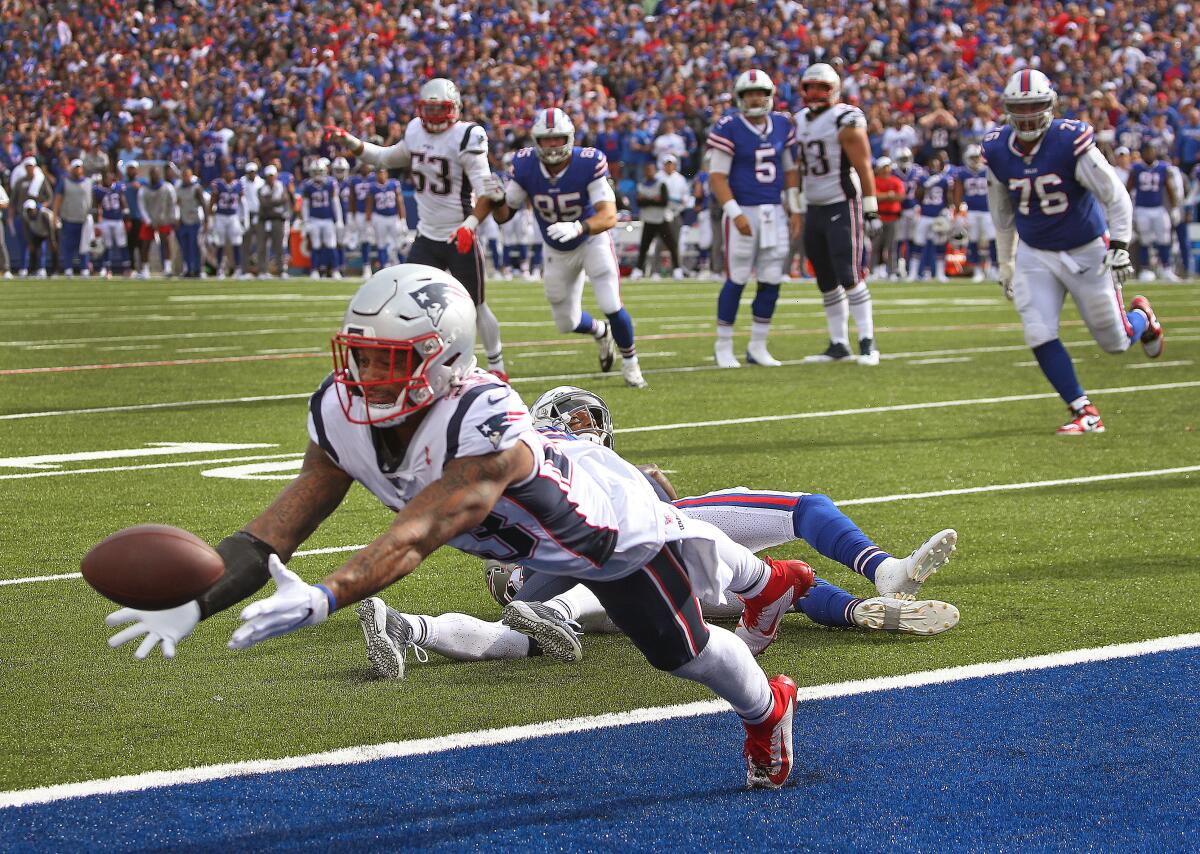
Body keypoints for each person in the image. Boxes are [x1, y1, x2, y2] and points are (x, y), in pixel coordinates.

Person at [104, 264, 802, 791]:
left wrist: (324, 597)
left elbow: (418, 533)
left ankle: (767, 707)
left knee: (680, 655)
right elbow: (270, 533)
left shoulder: (483, 417)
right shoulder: (341, 411)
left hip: (609, 534)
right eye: (359, 355)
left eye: (387, 360)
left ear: (441, 359)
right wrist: (195, 603)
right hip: (518, 543)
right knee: (619, 623)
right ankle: (761, 589)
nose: (365, 376)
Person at [355, 385, 959, 677]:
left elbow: (505, 569)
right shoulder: (545, 467)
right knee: (782, 530)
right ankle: (875, 582)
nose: (579, 430)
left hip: (603, 589)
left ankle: (411, 626)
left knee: (542, 621)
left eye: (585, 421)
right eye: (572, 422)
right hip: (637, 556)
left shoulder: (511, 475)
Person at [984, 69, 1165, 435]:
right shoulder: (996, 149)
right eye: (1020, 107)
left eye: (1035, 105)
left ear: (1049, 105)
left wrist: (1119, 246)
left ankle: (1143, 318)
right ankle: (1084, 410)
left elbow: (1115, 196)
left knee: (1115, 342)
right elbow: (1002, 216)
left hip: (1086, 249)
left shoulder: (1070, 140)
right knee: (1037, 330)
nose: (1028, 115)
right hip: (1036, 252)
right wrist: (1006, 264)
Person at [327, 78, 509, 381]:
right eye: (430, 109)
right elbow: (384, 157)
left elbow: (485, 190)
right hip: (426, 235)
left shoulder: (467, 136)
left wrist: (470, 225)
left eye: (442, 110)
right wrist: (351, 142)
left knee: (475, 305)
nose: (435, 117)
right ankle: (423, 361)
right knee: (413, 302)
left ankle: (497, 366)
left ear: (455, 110)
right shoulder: (414, 130)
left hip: (457, 233)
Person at [492, 108, 647, 388]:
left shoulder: (588, 162)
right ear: (536, 141)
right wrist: (494, 197)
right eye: (546, 140)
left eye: (558, 139)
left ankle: (631, 362)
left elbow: (609, 215)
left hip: (590, 240)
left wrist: (579, 227)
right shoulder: (525, 165)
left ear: (570, 138)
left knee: (610, 303)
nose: (552, 146)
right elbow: (504, 215)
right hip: (556, 249)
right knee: (566, 322)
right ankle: (600, 332)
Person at [707, 70, 802, 368]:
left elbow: (789, 170)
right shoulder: (729, 126)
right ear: (739, 97)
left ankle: (758, 345)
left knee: (772, 277)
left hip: (773, 210)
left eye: (759, 92)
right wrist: (734, 212)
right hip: (743, 209)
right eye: (749, 94)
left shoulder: (782, 124)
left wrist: (795, 207)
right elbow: (717, 176)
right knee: (736, 277)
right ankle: (723, 345)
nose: (754, 98)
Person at [793, 63, 883, 365]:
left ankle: (868, 342)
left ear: (834, 90)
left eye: (822, 87)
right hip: (814, 205)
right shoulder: (800, 120)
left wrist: (871, 208)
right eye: (810, 87)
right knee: (825, 278)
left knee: (849, 273)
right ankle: (838, 344)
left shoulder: (846, 117)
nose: (815, 93)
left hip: (842, 202)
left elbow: (864, 165)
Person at [1127, 144, 1178, 282]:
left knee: (1164, 238)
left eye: (1151, 151)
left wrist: (1174, 208)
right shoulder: (1136, 168)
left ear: (1155, 152)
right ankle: (1145, 269)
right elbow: (1128, 189)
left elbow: (1169, 188)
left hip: (1158, 208)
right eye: (1147, 151)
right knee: (1145, 240)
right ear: (1143, 153)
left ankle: (1166, 268)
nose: (1149, 154)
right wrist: (1128, 210)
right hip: (1142, 208)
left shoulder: (1162, 168)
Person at [632, 161, 681, 279]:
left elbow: (664, 202)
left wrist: (647, 200)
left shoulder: (661, 184)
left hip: (661, 219)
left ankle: (677, 269)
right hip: (649, 220)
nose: (649, 172)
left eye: (651, 169)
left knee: (672, 245)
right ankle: (638, 269)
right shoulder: (641, 185)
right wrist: (653, 200)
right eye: (647, 170)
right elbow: (639, 203)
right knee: (644, 246)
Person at [953, 145, 995, 282]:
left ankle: (993, 268)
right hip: (971, 211)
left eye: (977, 157)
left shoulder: (988, 171)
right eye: (972, 157)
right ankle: (977, 269)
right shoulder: (963, 173)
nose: (975, 160)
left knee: (992, 239)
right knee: (973, 241)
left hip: (988, 210)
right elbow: (958, 192)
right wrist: (958, 211)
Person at [299, 158, 342, 279]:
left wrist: (339, 220)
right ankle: (314, 270)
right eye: (315, 172)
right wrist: (306, 221)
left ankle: (335, 270)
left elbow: (335, 202)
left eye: (319, 171)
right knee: (316, 245)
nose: (318, 174)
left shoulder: (330, 183)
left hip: (328, 219)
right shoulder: (308, 185)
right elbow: (305, 205)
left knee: (331, 244)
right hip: (314, 219)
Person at [914, 154, 954, 281]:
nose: (934, 167)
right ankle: (914, 273)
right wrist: (926, 185)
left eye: (937, 164)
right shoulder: (922, 178)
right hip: (925, 215)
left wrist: (948, 209)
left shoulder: (945, 179)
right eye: (932, 164)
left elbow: (948, 196)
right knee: (919, 243)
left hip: (938, 216)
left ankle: (940, 273)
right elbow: (918, 195)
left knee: (940, 244)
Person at [52, 158, 93, 277]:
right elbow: (57, 200)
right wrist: (55, 216)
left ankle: (84, 268)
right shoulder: (65, 182)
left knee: (84, 245)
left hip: (84, 218)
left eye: (79, 167)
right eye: (75, 167)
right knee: (68, 245)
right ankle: (68, 268)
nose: (78, 170)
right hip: (68, 218)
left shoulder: (89, 182)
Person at [891, 147, 927, 279]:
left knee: (914, 240)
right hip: (898, 211)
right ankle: (897, 269)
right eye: (902, 159)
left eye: (906, 159)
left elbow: (925, 187)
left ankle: (913, 270)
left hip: (913, 209)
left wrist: (920, 204)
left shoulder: (917, 171)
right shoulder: (893, 172)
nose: (904, 161)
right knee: (898, 241)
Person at [208, 161, 247, 279]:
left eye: (231, 172)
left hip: (233, 216)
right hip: (220, 216)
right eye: (227, 172)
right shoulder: (218, 184)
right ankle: (220, 269)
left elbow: (242, 202)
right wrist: (210, 219)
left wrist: (244, 219)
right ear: (224, 174)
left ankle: (238, 269)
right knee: (220, 242)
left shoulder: (238, 185)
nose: (229, 175)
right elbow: (212, 201)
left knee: (237, 242)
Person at [365, 167, 406, 272]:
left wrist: (403, 220)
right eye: (379, 173)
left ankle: (401, 267)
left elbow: (399, 202)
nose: (381, 176)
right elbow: (369, 205)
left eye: (383, 173)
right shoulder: (372, 187)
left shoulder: (394, 184)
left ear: (387, 174)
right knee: (381, 243)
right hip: (380, 217)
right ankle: (383, 267)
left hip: (393, 217)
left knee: (398, 242)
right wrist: (368, 223)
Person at [140, 167, 178, 277]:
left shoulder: (167, 187)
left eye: (156, 174)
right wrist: (148, 220)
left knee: (165, 242)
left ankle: (167, 267)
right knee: (145, 244)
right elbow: (141, 206)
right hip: (149, 219)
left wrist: (172, 218)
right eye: (152, 174)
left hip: (163, 219)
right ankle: (145, 269)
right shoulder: (144, 189)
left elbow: (173, 203)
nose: (154, 176)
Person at [870, 157, 904, 279]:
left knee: (892, 246)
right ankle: (872, 271)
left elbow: (900, 196)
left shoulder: (896, 181)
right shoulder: (874, 180)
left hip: (893, 217)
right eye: (884, 167)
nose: (887, 169)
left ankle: (892, 271)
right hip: (878, 217)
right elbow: (874, 196)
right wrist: (889, 195)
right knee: (876, 246)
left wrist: (885, 196)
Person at [256, 164, 292, 278]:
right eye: (269, 176)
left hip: (277, 220)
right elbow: (264, 204)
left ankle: (281, 270)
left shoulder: (281, 186)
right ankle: (262, 270)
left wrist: (271, 202)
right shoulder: (261, 188)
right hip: (264, 219)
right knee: (262, 246)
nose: (271, 178)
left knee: (279, 246)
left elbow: (285, 199)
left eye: (273, 175)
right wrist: (277, 202)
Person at [93, 167, 129, 278]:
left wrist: (127, 218)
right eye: (106, 178)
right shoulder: (98, 190)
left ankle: (126, 269)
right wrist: (96, 223)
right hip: (106, 220)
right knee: (106, 245)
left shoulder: (118, 187)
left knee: (122, 244)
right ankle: (107, 269)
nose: (108, 180)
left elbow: (123, 201)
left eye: (109, 178)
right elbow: (96, 206)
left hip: (118, 220)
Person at [175, 168, 207, 278]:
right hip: (184, 219)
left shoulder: (196, 188)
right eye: (184, 176)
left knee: (195, 246)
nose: (185, 178)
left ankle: (197, 269)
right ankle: (188, 268)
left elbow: (203, 204)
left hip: (195, 219)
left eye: (187, 175)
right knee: (185, 246)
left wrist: (206, 220)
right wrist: (177, 218)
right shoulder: (179, 189)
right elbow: (178, 204)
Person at [20, 198, 58, 277]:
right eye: (28, 210)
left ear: (35, 208)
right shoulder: (25, 215)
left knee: (54, 249)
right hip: (39, 231)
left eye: (31, 210)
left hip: (54, 229)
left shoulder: (43, 214)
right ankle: (32, 270)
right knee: (33, 249)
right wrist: (30, 242)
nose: (30, 212)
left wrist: (52, 241)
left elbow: (50, 228)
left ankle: (55, 271)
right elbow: (26, 230)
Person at [241, 162, 264, 275]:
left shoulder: (261, 182)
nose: (252, 174)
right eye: (250, 172)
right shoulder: (241, 182)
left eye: (253, 172)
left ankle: (261, 269)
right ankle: (245, 270)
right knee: (246, 243)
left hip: (259, 214)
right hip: (247, 215)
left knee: (261, 243)